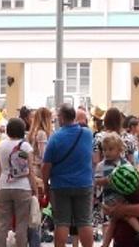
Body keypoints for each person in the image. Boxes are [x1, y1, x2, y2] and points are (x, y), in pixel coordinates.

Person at [43, 104, 95, 247]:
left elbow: (46, 165)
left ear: (61, 118)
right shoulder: (87, 134)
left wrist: (46, 184)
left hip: (60, 185)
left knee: (61, 222)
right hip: (84, 183)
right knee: (84, 221)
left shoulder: (55, 138)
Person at [0, 117, 38, 247]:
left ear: (7, 131)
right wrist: (34, 188)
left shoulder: (1, 145)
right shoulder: (25, 146)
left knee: (3, 223)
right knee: (21, 223)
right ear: (23, 130)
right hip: (23, 187)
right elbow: (30, 171)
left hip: (4, 186)